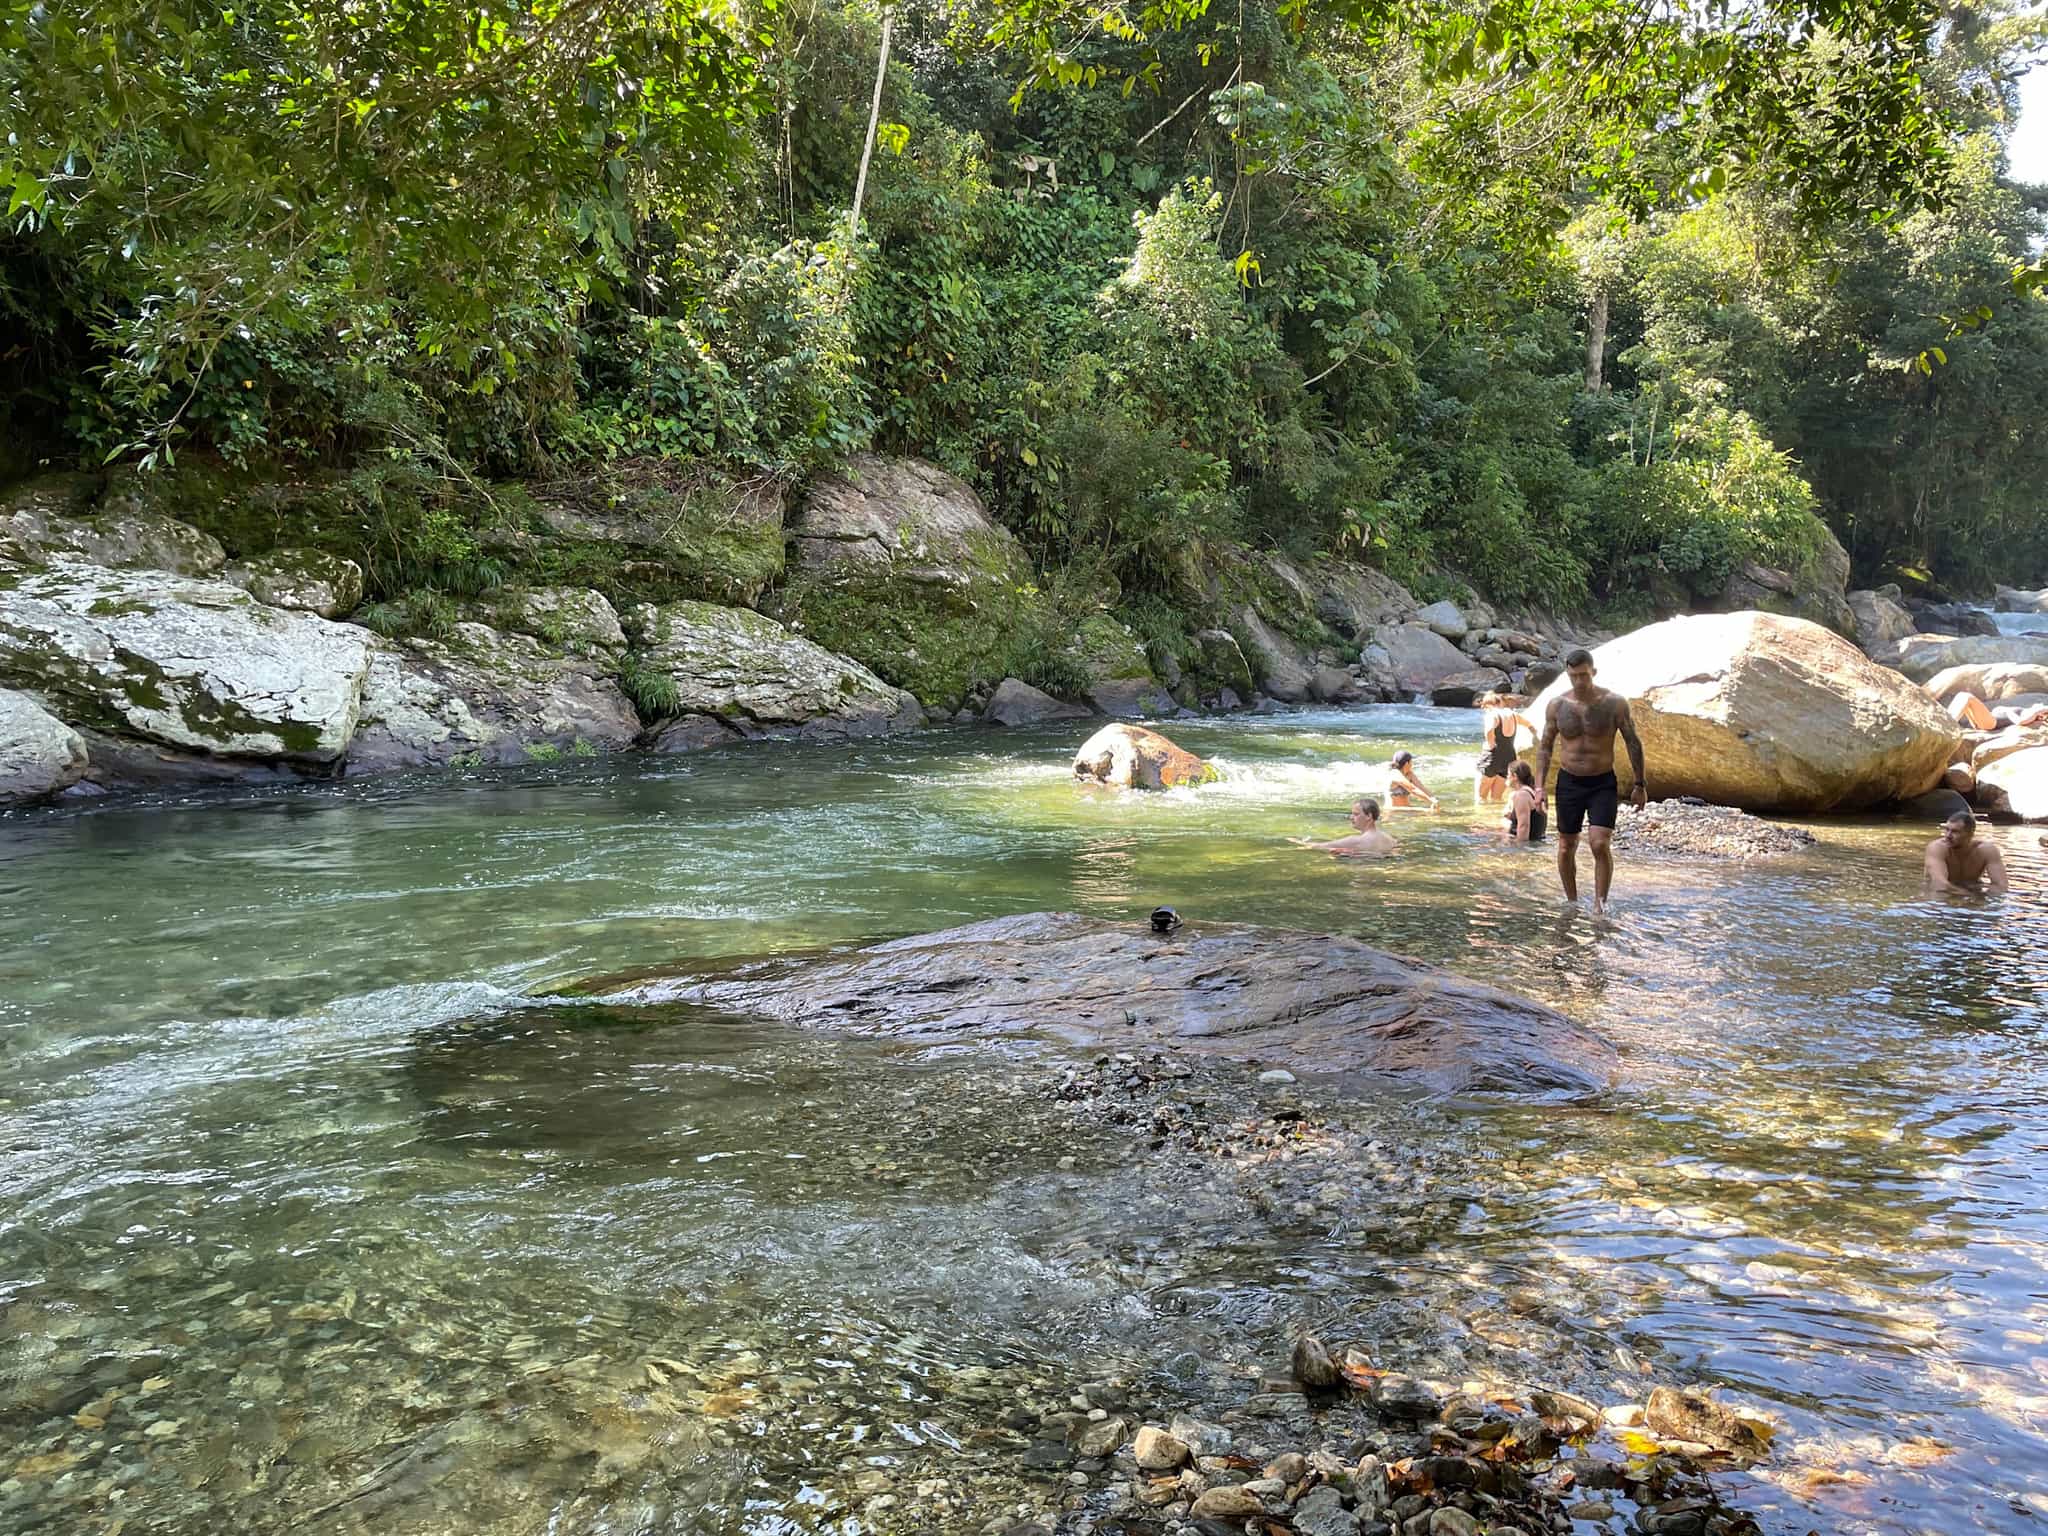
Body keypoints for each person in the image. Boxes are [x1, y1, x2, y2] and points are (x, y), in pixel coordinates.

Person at [1533, 647, 1647, 914]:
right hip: (1569, 782)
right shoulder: (1557, 705)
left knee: (1599, 843)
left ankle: (1600, 905)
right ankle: (1571, 903)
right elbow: (1545, 747)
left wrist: (1640, 784)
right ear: (1567, 675)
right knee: (1565, 846)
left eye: (1584, 675)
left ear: (1593, 672)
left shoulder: (1614, 703)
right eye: (1574, 676)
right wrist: (1539, 787)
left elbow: (1632, 741)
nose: (1579, 681)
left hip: (1601, 782)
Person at [1924, 809, 2008, 893]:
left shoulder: (1987, 851)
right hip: (1942, 894)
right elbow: (1939, 884)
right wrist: (1968, 896)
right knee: (1937, 893)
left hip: (1971, 892)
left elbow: (2001, 885)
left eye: (1955, 832)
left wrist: (1984, 899)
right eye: (1947, 829)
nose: (1948, 836)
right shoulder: (1937, 848)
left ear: (1970, 834)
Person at [1473, 693, 1533, 803]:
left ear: (1488, 705)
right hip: (1509, 758)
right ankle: (1495, 818)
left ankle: (1483, 819)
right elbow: (1529, 724)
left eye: (1484, 706)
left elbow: (1489, 730)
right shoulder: (1513, 715)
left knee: (1480, 799)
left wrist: (1490, 744)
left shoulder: (1492, 715)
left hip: (1492, 757)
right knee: (1497, 799)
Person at [1293, 797, 1397, 857]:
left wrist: (1293, 841)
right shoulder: (1389, 839)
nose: (1351, 818)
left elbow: (1317, 846)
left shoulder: (1355, 841)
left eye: (1356, 814)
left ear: (1369, 816)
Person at [1946, 692, 2048, 731]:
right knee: (1962, 695)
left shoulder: (2032, 712)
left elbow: (2020, 722)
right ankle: (1946, 718)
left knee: (1968, 697)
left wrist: (2040, 710)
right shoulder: (2028, 711)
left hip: (1992, 723)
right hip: (1984, 722)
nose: (2041, 704)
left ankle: (1948, 722)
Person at [1502, 760, 1547, 843]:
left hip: (1525, 844)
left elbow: (1524, 826)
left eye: (1508, 774)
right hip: (1535, 842)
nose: (1506, 777)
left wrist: (1520, 851)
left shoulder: (1521, 795)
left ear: (1514, 776)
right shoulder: (1530, 792)